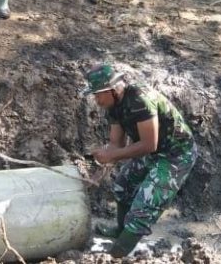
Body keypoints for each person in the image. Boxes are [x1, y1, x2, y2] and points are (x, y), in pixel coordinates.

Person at [84, 64, 197, 257]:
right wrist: (100, 171)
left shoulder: (140, 100)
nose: (95, 99)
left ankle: (117, 255)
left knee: (145, 205)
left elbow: (148, 144)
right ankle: (121, 231)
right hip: (153, 152)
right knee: (122, 186)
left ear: (111, 89)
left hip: (175, 154)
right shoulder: (112, 106)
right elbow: (115, 144)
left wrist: (112, 155)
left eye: (97, 94)